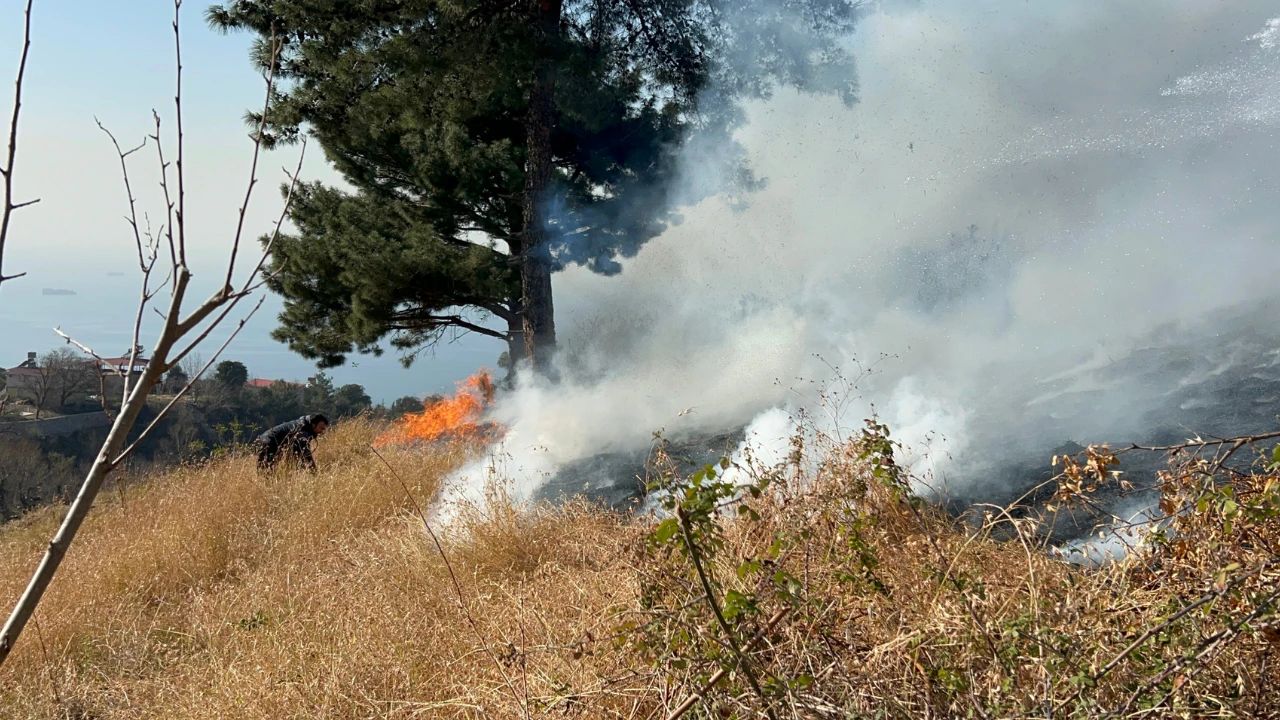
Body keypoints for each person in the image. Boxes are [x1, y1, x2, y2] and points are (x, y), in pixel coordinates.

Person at [255, 414, 328, 473]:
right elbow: (305, 453)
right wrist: (314, 472)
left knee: (267, 472)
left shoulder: (303, 426)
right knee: (266, 473)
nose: (322, 432)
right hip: (268, 442)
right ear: (313, 425)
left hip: (266, 440)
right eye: (321, 428)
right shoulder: (302, 430)